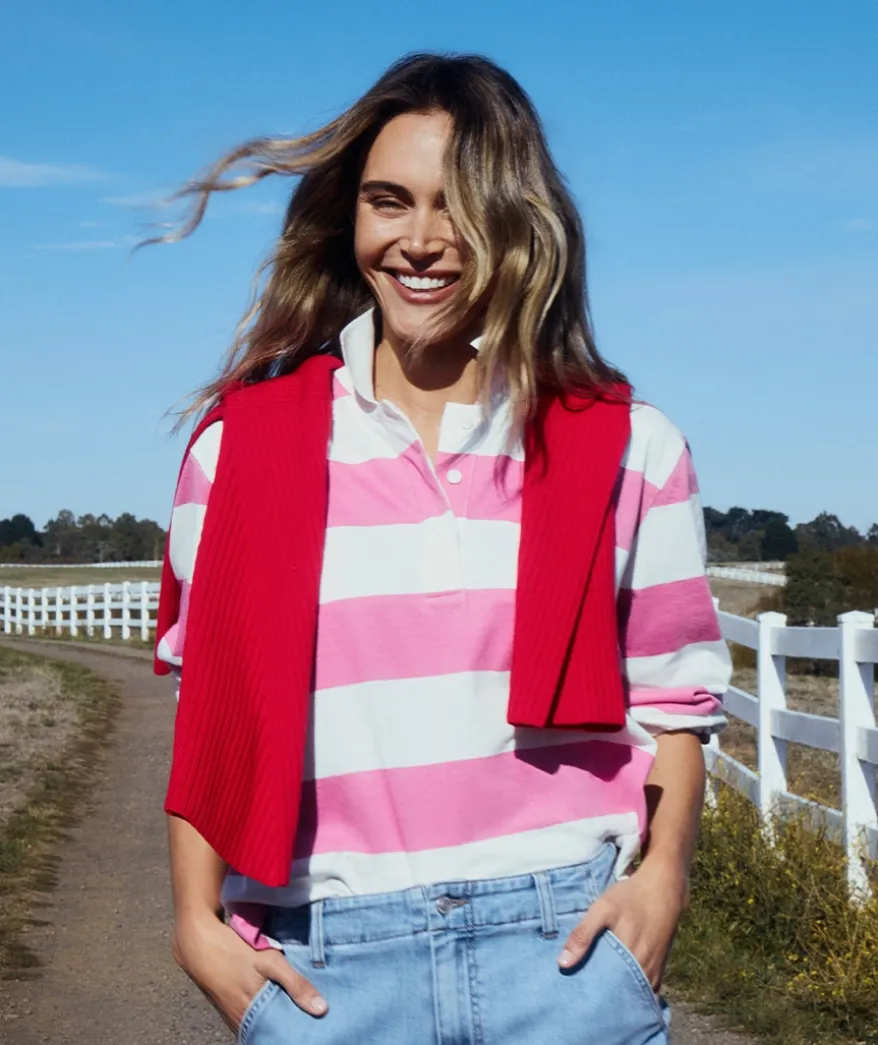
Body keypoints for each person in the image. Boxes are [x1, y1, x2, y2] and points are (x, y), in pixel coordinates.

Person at [153, 52, 730, 1045]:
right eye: (389, 202)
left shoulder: (628, 446)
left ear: (514, 223)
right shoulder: (238, 452)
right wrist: (195, 928)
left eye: (455, 206)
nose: (419, 241)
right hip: (326, 967)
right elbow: (213, 706)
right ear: (350, 218)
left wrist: (661, 882)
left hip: (563, 957)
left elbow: (675, 701)